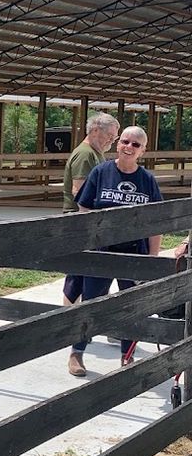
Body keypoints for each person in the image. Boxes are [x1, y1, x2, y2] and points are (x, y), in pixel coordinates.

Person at [67, 126, 162, 377]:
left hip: (134, 251)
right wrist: (86, 246)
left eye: (135, 145)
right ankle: (76, 352)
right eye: (125, 142)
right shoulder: (101, 172)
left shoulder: (147, 180)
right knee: (91, 303)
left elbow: (158, 223)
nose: (129, 147)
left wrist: (152, 260)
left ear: (143, 150)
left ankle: (127, 356)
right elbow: (84, 209)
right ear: (118, 143)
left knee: (131, 306)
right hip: (101, 250)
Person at [61, 113, 120, 307]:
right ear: (95, 130)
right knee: (78, 274)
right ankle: (70, 318)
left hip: (92, 222)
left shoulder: (96, 153)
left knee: (88, 272)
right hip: (82, 221)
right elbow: (79, 191)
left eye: (115, 138)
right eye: (109, 136)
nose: (111, 141)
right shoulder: (85, 154)